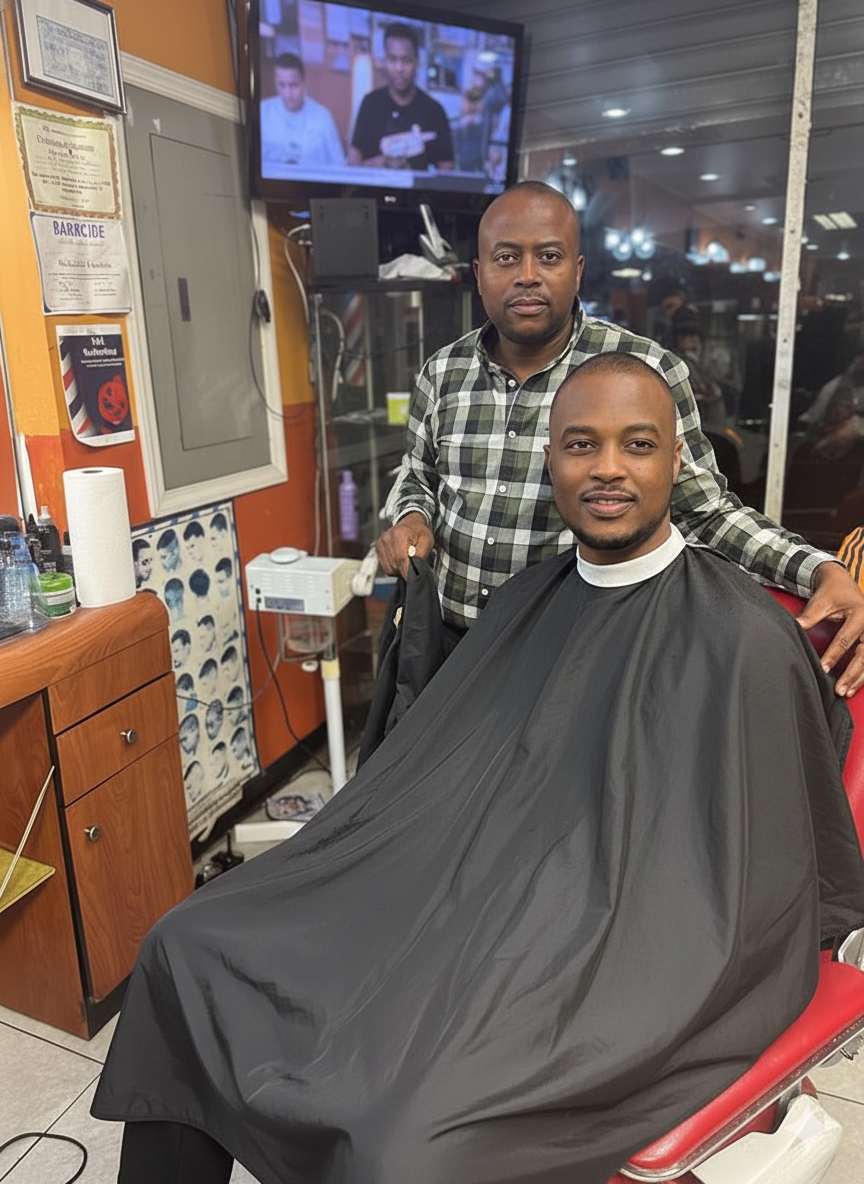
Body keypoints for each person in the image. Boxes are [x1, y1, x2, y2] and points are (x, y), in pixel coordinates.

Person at [93, 353, 864, 1184]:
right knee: (186, 948)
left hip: (618, 943)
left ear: (677, 462)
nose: (608, 468)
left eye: (638, 445)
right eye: (582, 445)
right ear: (551, 463)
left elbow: (754, 882)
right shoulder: (527, 602)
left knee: (402, 1145)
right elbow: (439, 781)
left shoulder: (743, 639)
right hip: (467, 881)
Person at [375, 180, 864, 695]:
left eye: (548, 256)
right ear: (479, 274)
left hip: (569, 657)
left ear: (577, 270)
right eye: (506, 258)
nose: (527, 275)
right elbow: (418, 474)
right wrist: (411, 516)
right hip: (447, 645)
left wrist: (817, 569)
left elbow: (705, 512)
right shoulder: (443, 372)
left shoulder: (643, 372)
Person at [349, 23, 454, 171]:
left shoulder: (434, 111)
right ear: (385, 60)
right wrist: (384, 163)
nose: (399, 68)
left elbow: (447, 168)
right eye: (392, 59)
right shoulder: (370, 104)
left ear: (417, 61)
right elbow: (353, 164)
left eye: (406, 60)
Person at [260, 52, 345, 168]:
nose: (288, 94)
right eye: (281, 85)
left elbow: (339, 164)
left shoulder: (323, 117)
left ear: (304, 83)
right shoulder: (263, 112)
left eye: (294, 85)